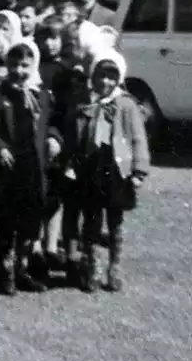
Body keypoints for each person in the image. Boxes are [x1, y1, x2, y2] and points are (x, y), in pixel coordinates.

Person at [63, 54, 149, 293]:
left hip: (117, 169)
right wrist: (70, 163)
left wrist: (139, 170)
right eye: (101, 76)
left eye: (111, 77)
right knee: (91, 219)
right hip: (91, 167)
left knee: (115, 221)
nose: (105, 82)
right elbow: (75, 138)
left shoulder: (126, 104)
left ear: (119, 79)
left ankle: (115, 267)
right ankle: (93, 267)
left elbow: (138, 138)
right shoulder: (84, 102)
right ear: (93, 76)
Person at [0, 43, 62, 294]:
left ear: (34, 66)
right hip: (8, 165)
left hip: (33, 164)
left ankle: (22, 268)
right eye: (14, 65)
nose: (19, 71)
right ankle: (5, 271)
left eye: (25, 66)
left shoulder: (42, 94)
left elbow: (53, 122)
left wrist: (54, 138)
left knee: (30, 219)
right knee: (7, 219)